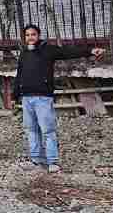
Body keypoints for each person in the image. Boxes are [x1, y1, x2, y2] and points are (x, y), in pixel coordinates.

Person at [12, 24, 105, 173]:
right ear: (25, 37)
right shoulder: (24, 53)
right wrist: (14, 95)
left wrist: (90, 51)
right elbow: (19, 74)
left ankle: (53, 162)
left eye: (33, 34)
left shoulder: (48, 50)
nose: (30, 37)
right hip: (27, 98)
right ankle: (36, 161)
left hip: (43, 98)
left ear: (39, 35)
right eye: (28, 35)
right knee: (31, 130)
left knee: (48, 131)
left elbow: (68, 52)